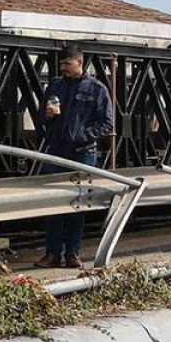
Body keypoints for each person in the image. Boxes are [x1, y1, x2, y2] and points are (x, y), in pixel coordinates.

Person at [35, 44, 114, 269]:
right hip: (57, 150)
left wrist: (82, 136)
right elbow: (40, 115)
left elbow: (107, 123)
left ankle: (72, 253)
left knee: (76, 204)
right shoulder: (55, 85)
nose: (63, 68)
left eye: (67, 64)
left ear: (80, 62)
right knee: (54, 204)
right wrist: (47, 115)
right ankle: (52, 254)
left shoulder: (96, 88)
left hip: (82, 153)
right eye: (61, 64)